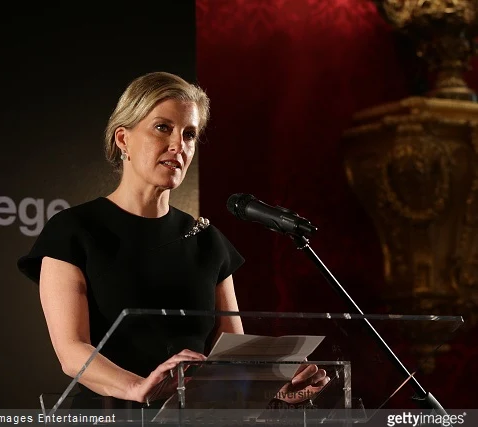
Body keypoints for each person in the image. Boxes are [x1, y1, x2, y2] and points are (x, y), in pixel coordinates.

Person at [17, 71, 328, 410]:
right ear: (123, 139)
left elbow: (236, 355)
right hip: (109, 414)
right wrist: (140, 387)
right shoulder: (73, 231)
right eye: (163, 127)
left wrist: (273, 385)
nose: (179, 145)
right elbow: (72, 351)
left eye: (190, 134)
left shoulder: (208, 241)